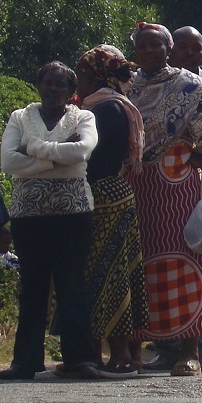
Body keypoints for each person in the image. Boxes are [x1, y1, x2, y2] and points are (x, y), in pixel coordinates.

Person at [126, 22, 202, 377]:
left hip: (179, 182)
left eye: (156, 46)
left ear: (168, 49)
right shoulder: (126, 85)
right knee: (140, 265)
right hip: (138, 187)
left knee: (188, 261)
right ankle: (136, 349)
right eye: (143, 46)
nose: (149, 52)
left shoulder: (189, 84)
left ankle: (191, 349)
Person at [0, 62, 101, 380]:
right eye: (47, 83)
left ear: (71, 93)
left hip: (73, 213)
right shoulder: (20, 117)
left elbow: (82, 151)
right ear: (39, 85)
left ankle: (79, 359)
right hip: (29, 216)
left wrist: (36, 150)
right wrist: (57, 158)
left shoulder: (83, 117)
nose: (53, 89)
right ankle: (26, 362)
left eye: (60, 85)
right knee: (32, 288)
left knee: (72, 286)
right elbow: (8, 161)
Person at [73, 45, 146, 377]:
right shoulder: (115, 106)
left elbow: (96, 161)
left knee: (111, 277)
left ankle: (120, 355)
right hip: (115, 195)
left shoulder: (104, 110)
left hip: (104, 197)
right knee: (111, 274)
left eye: (82, 74)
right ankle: (114, 354)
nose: (78, 81)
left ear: (94, 75)